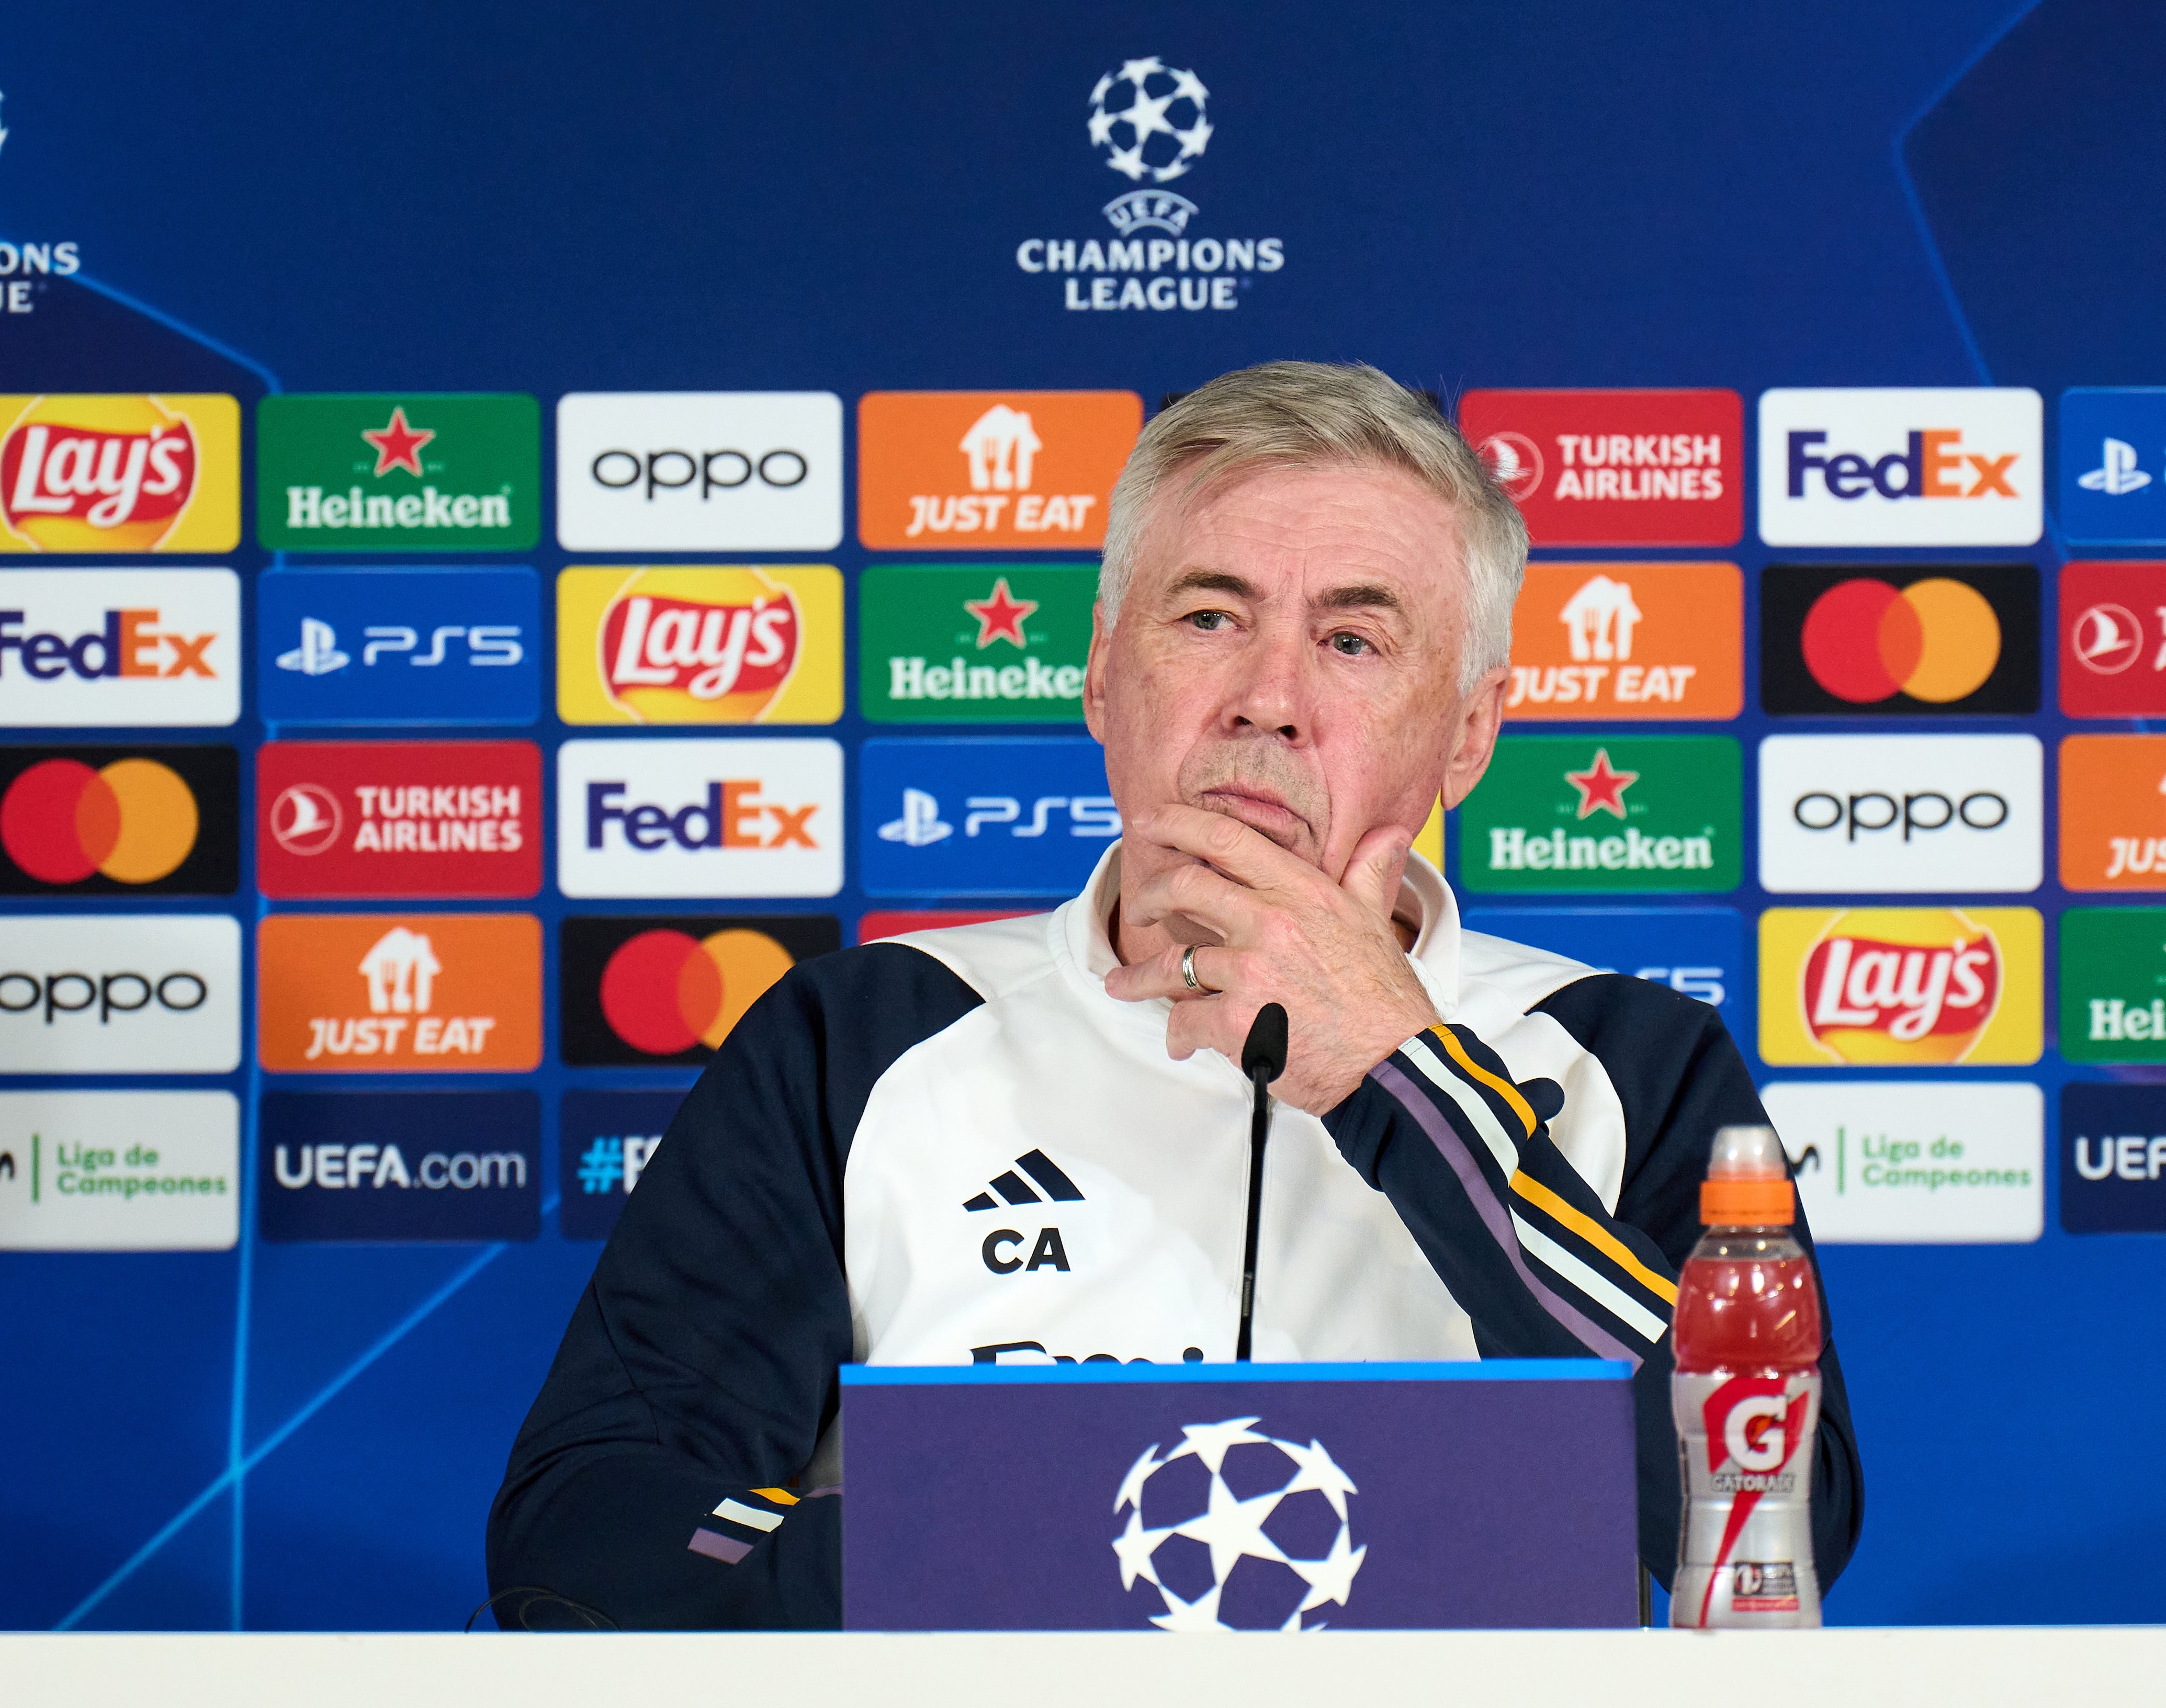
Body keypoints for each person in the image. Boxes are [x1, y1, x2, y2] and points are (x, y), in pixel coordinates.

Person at [487, 361, 1863, 1628]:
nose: (1269, 700)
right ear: (1100, 676)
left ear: (1467, 734)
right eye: (1209, 616)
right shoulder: (866, 1036)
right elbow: (587, 1529)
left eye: (1355, 641)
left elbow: (1771, 1513)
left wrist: (1403, 1076)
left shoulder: (1627, 1057)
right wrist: (1071, 1572)